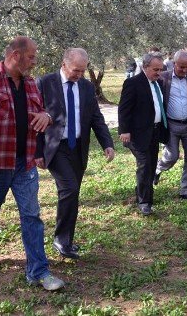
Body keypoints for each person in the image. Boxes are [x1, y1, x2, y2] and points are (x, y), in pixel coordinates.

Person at [0, 36, 64, 290]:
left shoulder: (30, 84)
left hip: (24, 163)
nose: (34, 61)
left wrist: (45, 117)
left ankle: (39, 271)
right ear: (15, 55)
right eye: (31, 57)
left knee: (32, 216)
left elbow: (42, 112)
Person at [36, 48, 115, 259]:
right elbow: (34, 120)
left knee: (73, 193)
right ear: (64, 64)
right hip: (56, 147)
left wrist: (107, 143)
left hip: (78, 147)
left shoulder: (87, 87)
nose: (78, 75)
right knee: (69, 189)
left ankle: (66, 240)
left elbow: (96, 118)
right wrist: (37, 151)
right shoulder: (45, 83)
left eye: (82, 70)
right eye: (75, 70)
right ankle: (61, 240)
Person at [118, 52, 168, 216]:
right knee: (145, 165)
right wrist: (124, 130)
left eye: (161, 69)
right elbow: (124, 109)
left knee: (152, 165)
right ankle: (144, 202)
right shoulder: (133, 83)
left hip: (154, 132)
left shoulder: (158, 83)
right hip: (137, 134)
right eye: (155, 69)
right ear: (145, 67)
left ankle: (143, 193)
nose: (159, 72)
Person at [153, 50, 187, 202]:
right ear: (174, 64)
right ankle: (158, 169)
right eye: (181, 67)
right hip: (171, 125)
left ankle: (186, 190)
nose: (184, 70)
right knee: (172, 156)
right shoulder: (163, 78)